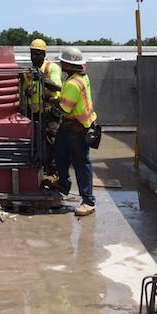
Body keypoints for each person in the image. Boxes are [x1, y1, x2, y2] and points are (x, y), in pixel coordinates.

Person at [52, 45, 97, 218]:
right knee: (60, 152)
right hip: (70, 126)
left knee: (81, 163)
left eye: (63, 63)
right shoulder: (80, 77)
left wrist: (51, 100)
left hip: (77, 127)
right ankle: (64, 183)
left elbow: (65, 108)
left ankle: (88, 201)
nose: (61, 66)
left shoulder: (72, 83)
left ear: (69, 65)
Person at [20, 37, 62, 174]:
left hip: (50, 112)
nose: (35, 56)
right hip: (34, 113)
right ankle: (40, 167)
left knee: (52, 140)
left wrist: (43, 79)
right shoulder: (29, 72)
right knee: (36, 142)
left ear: (44, 54)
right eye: (33, 53)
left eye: (38, 53)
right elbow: (23, 91)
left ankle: (53, 170)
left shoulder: (52, 68)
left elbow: (57, 87)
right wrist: (27, 92)